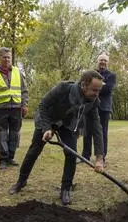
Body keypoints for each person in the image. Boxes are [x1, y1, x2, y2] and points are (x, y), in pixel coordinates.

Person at [8, 70, 105, 205]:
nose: (97, 94)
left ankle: (65, 189)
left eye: (99, 90)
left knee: (71, 154)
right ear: (83, 85)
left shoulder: (93, 101)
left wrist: (100, 158)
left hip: (67, 125)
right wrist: (47, 128)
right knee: (34, 150)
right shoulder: (63, 88)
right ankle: (21, 181)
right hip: (48, 118)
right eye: (94, 90)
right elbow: (43, 105)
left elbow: (97, 127)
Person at [0, 47, 29, 170]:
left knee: (15, 134)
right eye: (4, 57)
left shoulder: (17, 72)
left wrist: (24, 105)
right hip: (1, 109)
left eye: (9, 57)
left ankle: (11, 157)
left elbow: (24, 91)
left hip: (16, 108)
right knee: (2, 135)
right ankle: (3, 159)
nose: (7, 59)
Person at [80, 53, 116, 165]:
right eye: (101, 60)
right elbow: (84, 87)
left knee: (102, 133)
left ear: (107, 62)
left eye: (105, 60)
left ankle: (101, 158)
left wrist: (94, 86)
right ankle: (85, 156)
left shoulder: (111, 75)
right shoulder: (91, 74)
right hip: (89, 106)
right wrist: (100, 86)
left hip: (104, 108)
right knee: (87, 131)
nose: (103, 62)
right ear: (97, 61)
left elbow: (108, 89)